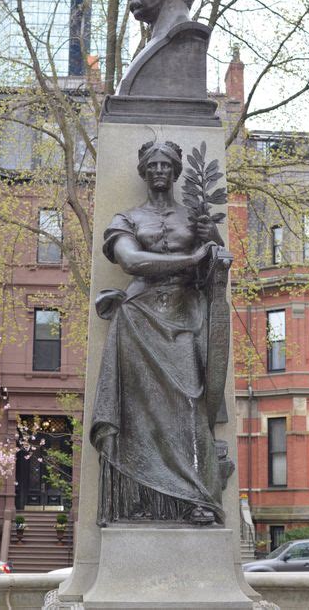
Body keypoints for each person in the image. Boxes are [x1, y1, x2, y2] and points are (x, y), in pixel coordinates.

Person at [90, 140, 225, 526]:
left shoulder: (194, 219)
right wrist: (190, 257)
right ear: (143, 171)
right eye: (153, 165)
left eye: (167, 164)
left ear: (177, 170)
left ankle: (197, 495)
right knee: (137, 411)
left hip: (185, 315)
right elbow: (131, 261)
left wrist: (212, 240)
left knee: (190, 401)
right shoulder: (127, 219)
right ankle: (139, 494)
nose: (160, 171)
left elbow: (215, 269)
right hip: (139, 317)